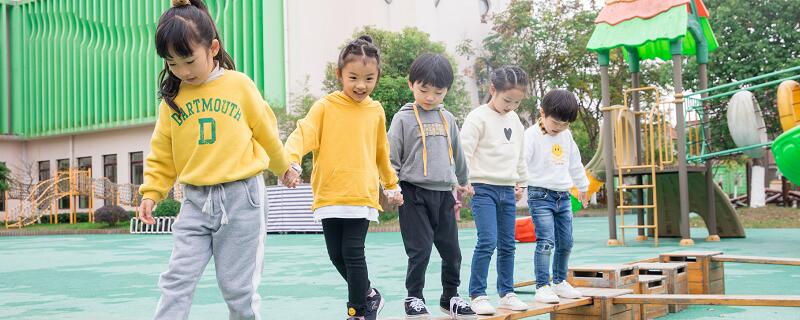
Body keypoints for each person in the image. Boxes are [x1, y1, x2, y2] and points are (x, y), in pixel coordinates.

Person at [138, 0, 299, 319]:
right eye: (171, 63)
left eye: (188, 60)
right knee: (176, 280)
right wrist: (152, 192)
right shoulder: (173, 100)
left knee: (237, 288)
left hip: (242, 199)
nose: (182, 71)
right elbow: (163, 153)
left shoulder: (239, 85)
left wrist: (283, 168)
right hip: (195, 202)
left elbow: (266, 133)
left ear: (212, 47)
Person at [283, 35, 403, 320]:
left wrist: (391, 185)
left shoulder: (375, 111)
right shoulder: (325, 107)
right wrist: (292, 162)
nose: (361, 85)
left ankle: (357, 312)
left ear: (377, 78)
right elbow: (303, 133)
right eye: (353, 77)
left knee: (352, 252)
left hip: (360, 194)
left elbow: (380, 152)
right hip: (329, 194)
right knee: (336, 255)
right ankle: (370, 295)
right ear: (340, 75)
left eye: (369, 78)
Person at [387, 53, 477, 319]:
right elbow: (391, 156)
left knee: (452, 251)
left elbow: (458, 153)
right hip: (413, 193)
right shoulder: (403, 119)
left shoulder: (447, 119)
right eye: (423, 90)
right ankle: (414, 297)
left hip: (444, 195)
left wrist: (463, 180)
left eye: (437, 92)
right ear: (411, 85)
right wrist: (391, 185)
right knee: (421, 249)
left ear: (446, 90)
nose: (429, 97)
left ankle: (450, 296)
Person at [461, 66, 530, 315]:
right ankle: (478, 294)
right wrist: (463, 179)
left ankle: (507, 293)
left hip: (507, 190)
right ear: (492, 90)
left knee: (508, 244)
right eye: (507, 100)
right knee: (487, 241)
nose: (511, 106)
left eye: (516, 102)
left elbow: (518, 155)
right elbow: (464, 152)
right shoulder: (477, 117)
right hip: (482, 189)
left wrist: (520, 181)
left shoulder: (515, 121)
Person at [524, 89, 589, 304]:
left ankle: (560, 281)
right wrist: (517, 184)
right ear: (542, 112)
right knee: (546, 241)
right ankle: (542, 286)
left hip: (563, 195)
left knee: (567, 241)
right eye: (555, 123)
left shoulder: (566, 136)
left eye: (564, 124)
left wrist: (583, 186)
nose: (559, 128)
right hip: (540, 194)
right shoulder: (531, 135)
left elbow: (575, 163)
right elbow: (521, 163)